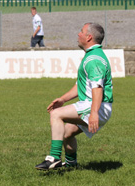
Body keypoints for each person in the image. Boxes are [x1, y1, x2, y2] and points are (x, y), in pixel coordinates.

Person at [35, 22, 113, 170]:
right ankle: (71, 164)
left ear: (89, 37)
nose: (78, 34)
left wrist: (94, 113)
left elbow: (97, 88)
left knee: (56, 115)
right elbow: (81, 86)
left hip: (96, 106)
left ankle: (54, 158)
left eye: (81, 31)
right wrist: (63, 99)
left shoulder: (93, 60)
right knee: (66, 132)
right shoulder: (92, 56)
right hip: (97, 105)